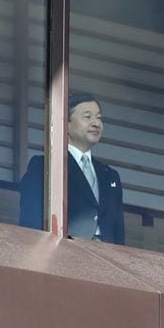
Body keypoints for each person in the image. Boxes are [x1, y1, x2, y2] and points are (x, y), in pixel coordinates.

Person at [19, 93, 125, 244]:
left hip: (105, 258)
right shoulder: (45, 166)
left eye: (99, 118)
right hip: (64, 253)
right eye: (87, 117)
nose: (96, 123)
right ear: (66, 125)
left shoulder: (110, 176)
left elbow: (118, 233)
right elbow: (31, 219)